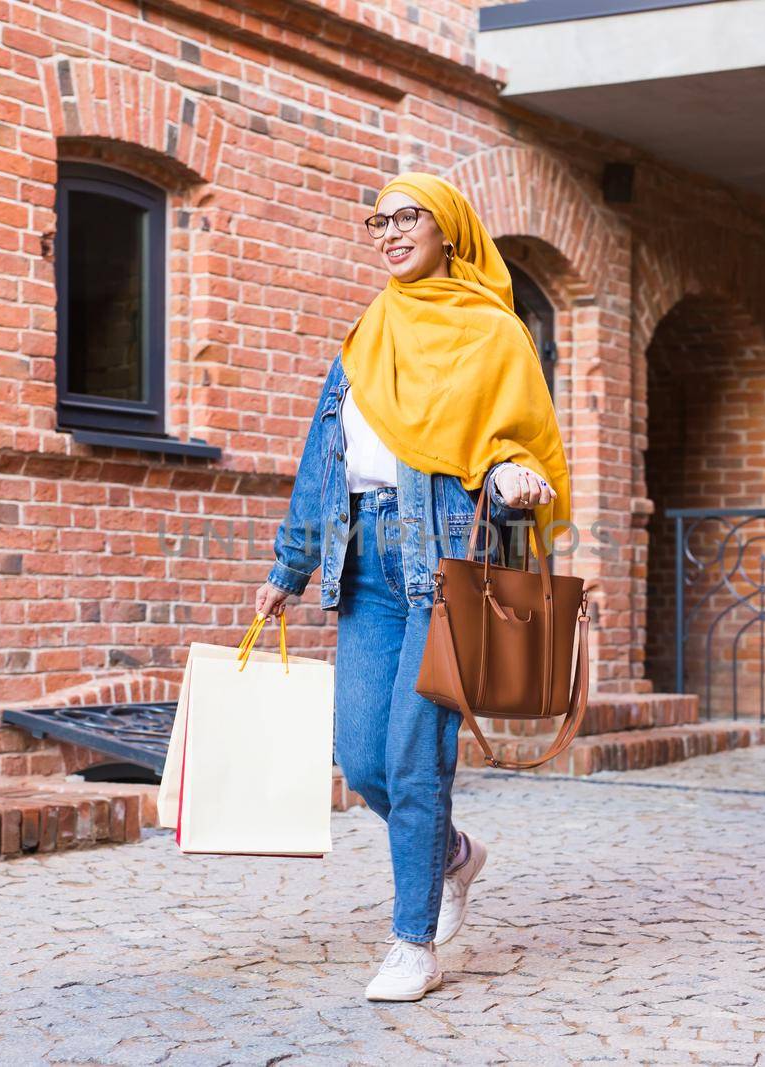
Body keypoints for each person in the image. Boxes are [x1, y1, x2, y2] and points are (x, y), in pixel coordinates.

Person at [254, 172, 572, 1002]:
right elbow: (321, 457)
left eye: (408, 217)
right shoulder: (367, 334)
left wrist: (512, 475)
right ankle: (456, 855)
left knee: (413, 754)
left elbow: (514, 441)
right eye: (378, 221)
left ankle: (411, 940)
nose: (390, 233)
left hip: (440, 562)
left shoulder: (494, 334)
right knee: (361, 762)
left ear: (448, 228)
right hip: (364, 560)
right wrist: (289, 568)